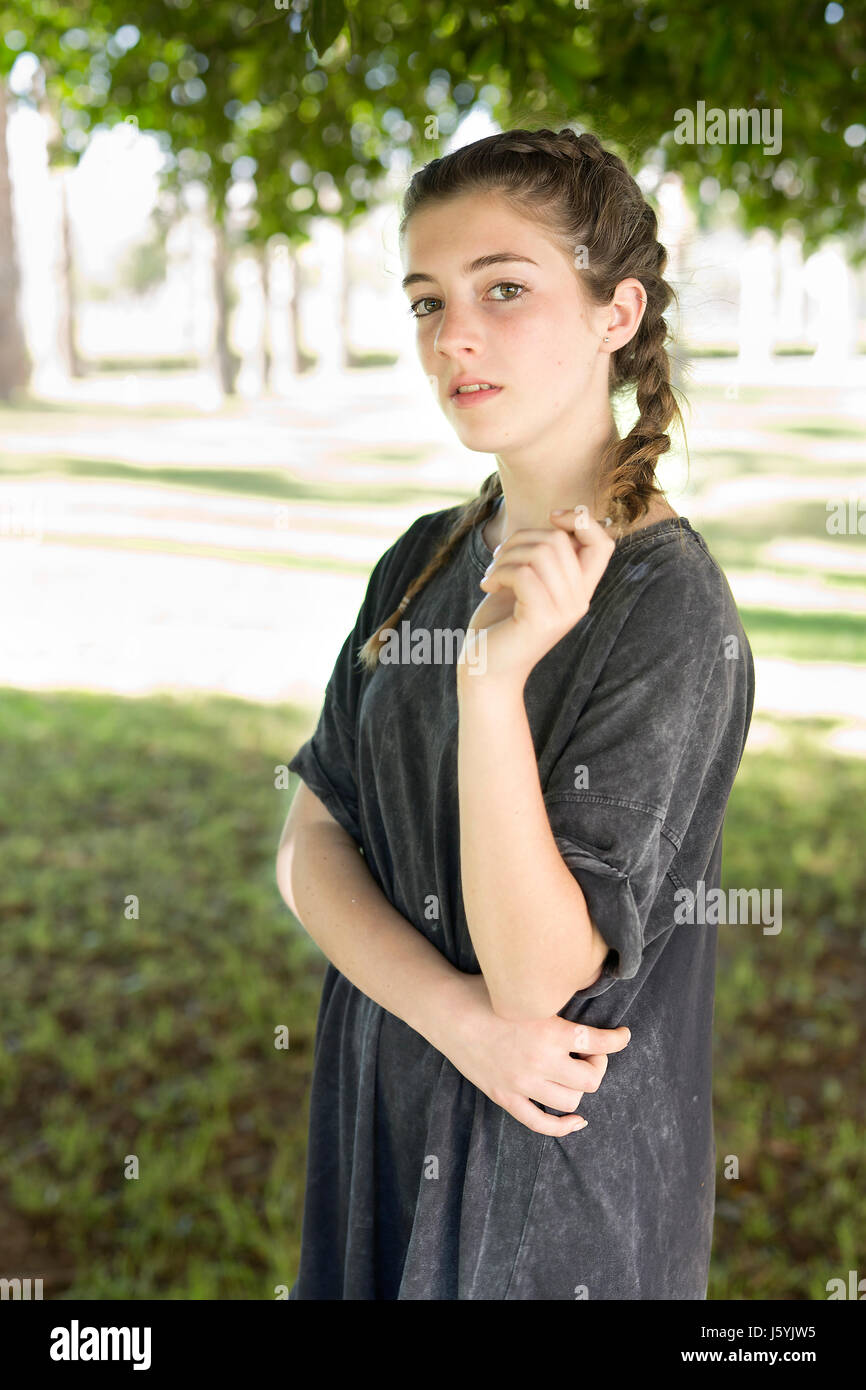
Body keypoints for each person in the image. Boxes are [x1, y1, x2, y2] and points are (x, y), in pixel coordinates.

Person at [276, 126, 755, 1300]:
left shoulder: (667, 608)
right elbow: (309, 843)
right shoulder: (418, 561)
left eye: (504, 288)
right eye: (426, 301)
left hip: (551, 1194)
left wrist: (490, 690)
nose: (455, 337)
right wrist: (454, 1020)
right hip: (386, 1113)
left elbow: (540, 983)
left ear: (615, 312)